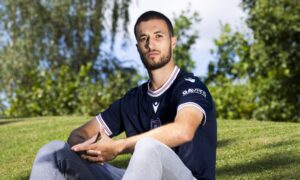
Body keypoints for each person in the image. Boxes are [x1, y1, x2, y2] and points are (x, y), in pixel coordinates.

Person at [30, 10, 217, 180]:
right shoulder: (133, 100)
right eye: (144, 38)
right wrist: (90, 149)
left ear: (172, 41)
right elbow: (79, 134)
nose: (150, 44)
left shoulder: (190, 86)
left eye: (158, 36)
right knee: (54, 151)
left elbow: (183, 130)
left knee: (147, 147)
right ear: (138, 47)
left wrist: (118, 146)